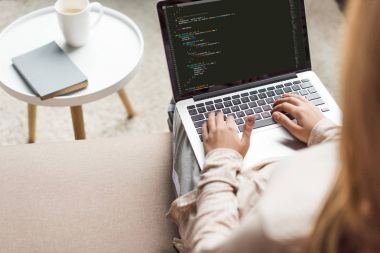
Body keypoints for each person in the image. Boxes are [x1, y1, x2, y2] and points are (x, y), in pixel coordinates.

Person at [166, 0, 380, 252]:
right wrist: (325, 132)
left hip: (232, 203)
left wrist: (221, 158)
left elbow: (210, 246)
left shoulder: (279, 229)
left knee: (183, 108)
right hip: (294, 168)